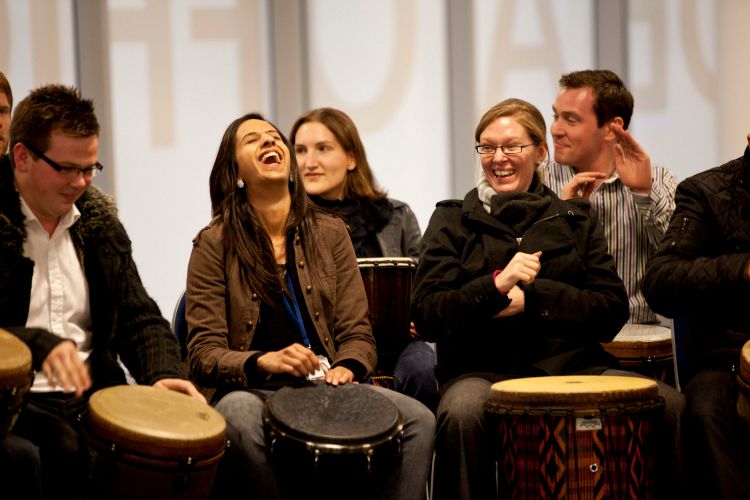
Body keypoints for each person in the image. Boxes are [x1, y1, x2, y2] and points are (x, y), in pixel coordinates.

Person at [185, 113, 435, 499]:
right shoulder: (213, 243)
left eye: (274, 137)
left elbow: (357, 332)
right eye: (252, 140)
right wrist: (263, 361)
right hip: (256, 390)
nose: (270, 142)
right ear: (235, 171)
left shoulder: (331, 232)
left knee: (419, 419)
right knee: (237, 414)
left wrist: (348, 366)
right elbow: (203, 354)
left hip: (327, 386)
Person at [411, 98, 631, 500]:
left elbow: (612, 310)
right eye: (487, 147)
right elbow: (427, 312)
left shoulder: (574, 219)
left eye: (512, 146)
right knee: (461, 414)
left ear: (541, 152)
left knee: (669, 406)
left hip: (571, 366)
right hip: (480, 371)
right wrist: (494, 288)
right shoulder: (451, 219)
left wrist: (535, 299)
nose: (499, 158)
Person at [0, 84, 204, 499]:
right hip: (15, 405)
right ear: (22, 157)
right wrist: (39, 345)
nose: (81, 182)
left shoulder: (98, 225)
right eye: (67, 169)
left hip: (93, 396)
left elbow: (138, 316)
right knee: (56, 453)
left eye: (91, 168)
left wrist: (163, 374)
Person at [290, 107, 437, 410]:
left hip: (394, 346)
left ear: (352, 158)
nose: (309, 162)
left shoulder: (396, 216)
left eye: (323, 149)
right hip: (322, 347)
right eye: (300, 151)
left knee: (422, 368)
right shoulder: (286, 224)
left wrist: (421, 319)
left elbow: (425, 285)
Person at [643, 133, 750, 499]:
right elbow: (660, 281)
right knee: (706, 411)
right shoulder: (706, 192)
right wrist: (741, 268)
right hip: (728, 362)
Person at [539, 69, 677, 325]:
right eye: (556, 116)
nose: (555, 129)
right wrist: (563, 214)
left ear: (612, 129)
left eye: (570, 120)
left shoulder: (657, 180)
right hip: (557, 339)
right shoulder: (538, 181)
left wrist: (644, 194)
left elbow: (678, 263)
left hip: (634, 336)